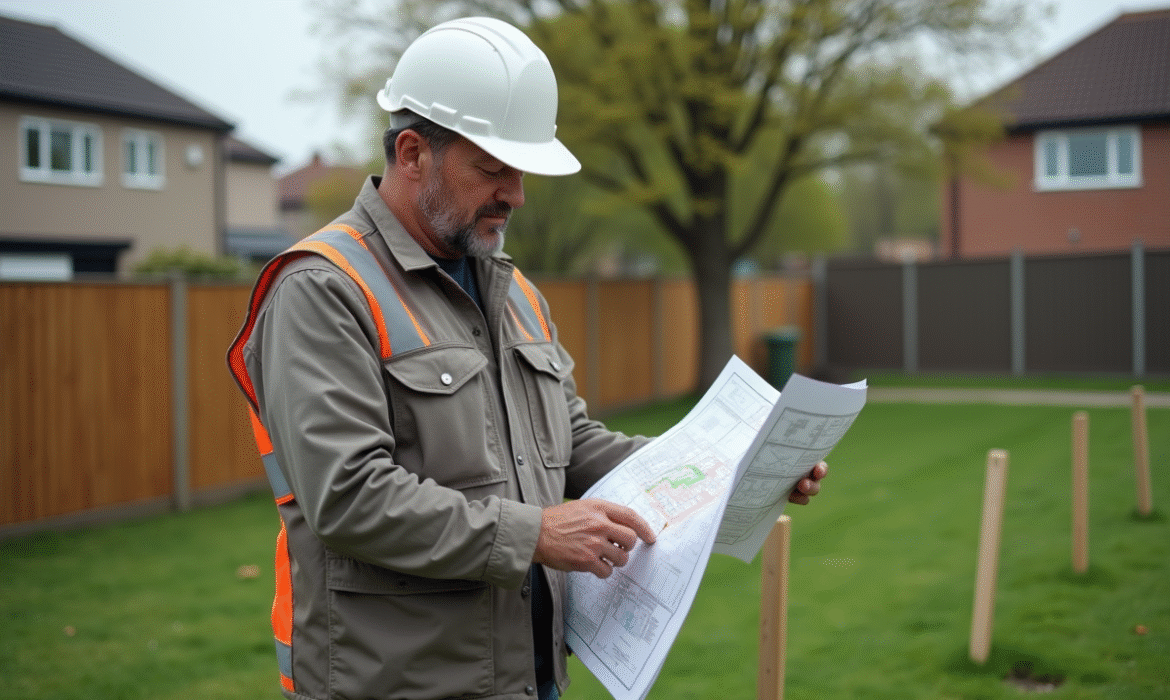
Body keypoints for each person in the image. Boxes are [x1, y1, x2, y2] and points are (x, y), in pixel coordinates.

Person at [227, 16, 827, 700]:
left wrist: (736, 471)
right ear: (415, 152)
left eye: (521, 171)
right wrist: (534, 533)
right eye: (493, 169)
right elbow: (349, 497)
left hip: (526, 678)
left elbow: (570, 444)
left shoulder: (512, 291)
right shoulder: (323, 289)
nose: (514, 193)